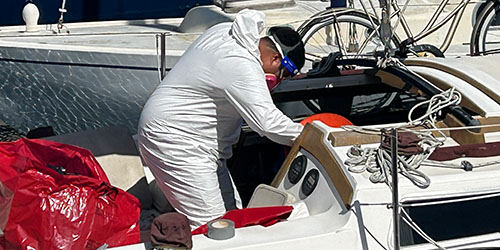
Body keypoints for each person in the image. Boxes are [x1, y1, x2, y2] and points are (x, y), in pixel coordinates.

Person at [137, 9, 305, 230]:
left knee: (232, 213)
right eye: (283, 74)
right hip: (177, 141)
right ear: (275, 59)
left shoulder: (225, 31)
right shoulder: (243, 64)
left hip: (193, 140)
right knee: (215, 226)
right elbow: (267, 123)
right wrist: (311, 135)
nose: (278, 81)